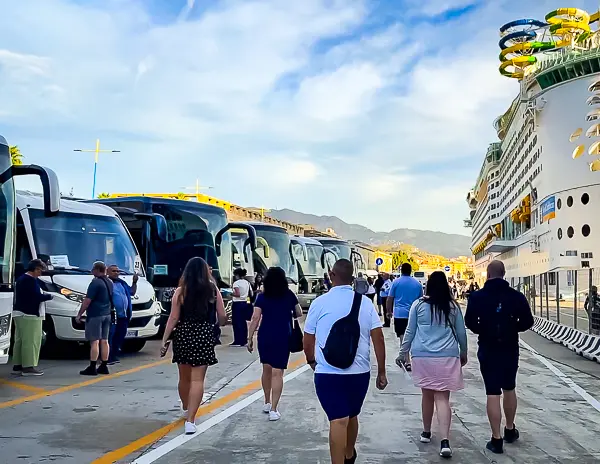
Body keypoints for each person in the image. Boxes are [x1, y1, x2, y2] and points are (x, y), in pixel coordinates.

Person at [304, 259, 388, 464]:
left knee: (337, 419)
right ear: (352, 280)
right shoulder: (366, 303)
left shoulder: (319, 303)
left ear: (331, 276)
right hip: (359, 374)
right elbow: (378, 338)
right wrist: (382, 372)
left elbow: (308, 338)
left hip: (327, 373)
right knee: (350, 415)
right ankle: (349, 454)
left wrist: (312, 361)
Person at [464, 260, 534, 454]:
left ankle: (496, 439)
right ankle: (510, 429)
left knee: (492, 392)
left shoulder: (477, 297)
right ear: (504, 274)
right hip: (510, 347)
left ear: (487, 275)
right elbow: (529, 321)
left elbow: (469, 320)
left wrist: (482, 330)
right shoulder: (516, 296)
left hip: (488, 347)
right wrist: (513, 328)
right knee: (509, 387)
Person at [401, 271, 468, 458]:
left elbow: (410, 331)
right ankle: (445, 441)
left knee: (427, 394)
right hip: (447, 356)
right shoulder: (453, 307)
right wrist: (463, 353)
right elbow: (461, 333)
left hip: (423, 357)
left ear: (428, 285)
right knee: (442, 398)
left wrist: (402, 352)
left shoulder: (418, 305)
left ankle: (426, 432)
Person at [161, 257, 226, 435]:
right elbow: (222, 316)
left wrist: (165, 339)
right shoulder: (213, 290)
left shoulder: (180, 291)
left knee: (184, 377)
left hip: (183, 333)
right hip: (204, 334)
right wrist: (218, 324)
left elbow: (173, 317)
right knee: (198, 379)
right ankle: (191, 419)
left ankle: (185, 406)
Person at [247, 267, 302, 421]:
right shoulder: (289, 295)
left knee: (266, 369)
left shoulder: (262, 297)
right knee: (278, 373)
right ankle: (274, 409)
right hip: (283, 336)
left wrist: (249, 338)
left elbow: (255, 318)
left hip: (265, 335)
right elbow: (299, 313)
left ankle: (266, 401)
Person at [12, 259, 53, 376]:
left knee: (20, 340)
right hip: (29, 314)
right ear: (35, 269)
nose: (41, 273)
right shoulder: (29, 281)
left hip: (19, 313)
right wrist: (48, 297)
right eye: (40, 270)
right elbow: (34, 297)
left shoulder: (21, 279)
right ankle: (28, 366)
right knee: (31, 341)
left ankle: (18, 364)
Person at [76, 261, 114, 376]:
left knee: (94, 341)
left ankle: (92, 366)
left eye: (93, 269)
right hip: (107, 314)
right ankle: (104, 365)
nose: (92, 271)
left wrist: (79, 314)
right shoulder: (110, 282)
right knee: (104, 340)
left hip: (96, 315)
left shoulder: (95, 283)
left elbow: (87, 301)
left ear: (97, 270)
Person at [387, 263, 423, 371]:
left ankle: (407, 360)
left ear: (401, 270)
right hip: (414, 314)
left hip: (399, 314)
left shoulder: (396, 282)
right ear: (411, 270)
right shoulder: (417, 284)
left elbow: (389, 298)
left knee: (403, 336)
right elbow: (421, 300)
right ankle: (410, 358)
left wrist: (389, 311)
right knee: (413, 336)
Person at [107, 265, 138, 365]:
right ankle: (108, 356)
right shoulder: (107, 283)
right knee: (110, 335)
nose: (116, 273)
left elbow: (132, 292)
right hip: (112, 315)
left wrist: (134, 282)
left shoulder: (122, 283)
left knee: (120, 335)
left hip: (123, 316)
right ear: (107, 272)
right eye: (113, 271)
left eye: (117, 271)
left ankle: (114, 354)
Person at [231, 268, 253, 346]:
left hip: (237, 304)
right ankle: (244, 340)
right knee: (243, 323)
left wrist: (230, 293)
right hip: (245, 303)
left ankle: (238, 340)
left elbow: (237, 294)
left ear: (237, 275)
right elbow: (250, 294)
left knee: (236, 322)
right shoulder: (247, 283)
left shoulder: (236, 283)